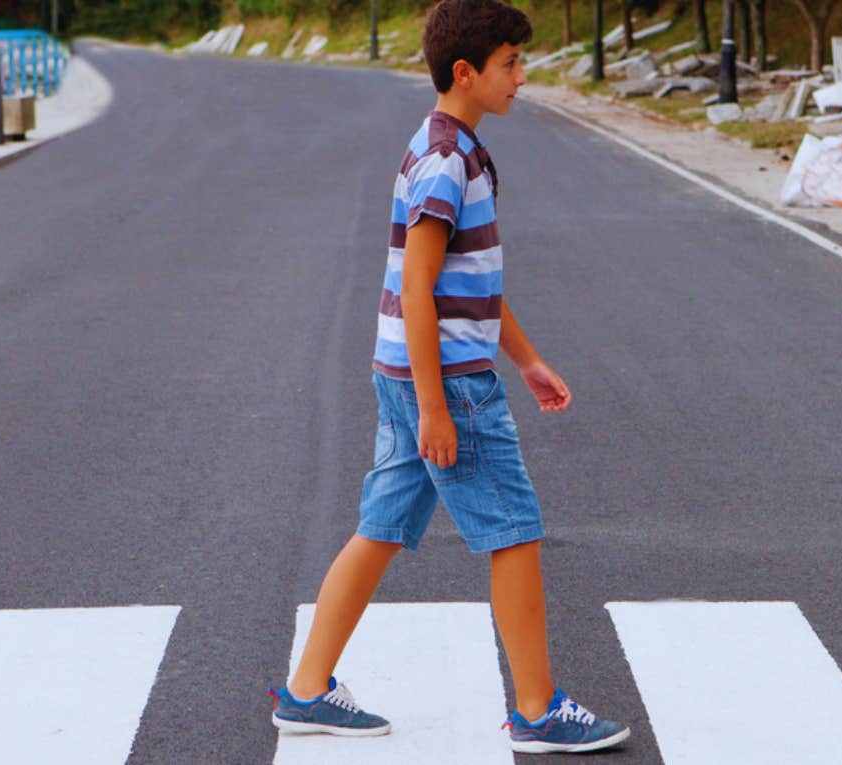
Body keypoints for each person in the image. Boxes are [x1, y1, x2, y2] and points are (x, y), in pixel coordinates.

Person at [265, 0, 630, 755]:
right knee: (516, 531)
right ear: (466, 72)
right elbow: (422, 288)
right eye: (511, 64)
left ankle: (306, 689)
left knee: (380, 527)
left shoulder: (449, 147)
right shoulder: (446, 161)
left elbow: (474, 284)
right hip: (448, 384)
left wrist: (525, 358)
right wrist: (437, 404)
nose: (522, 78)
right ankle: (536, 709)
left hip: (413, 372)